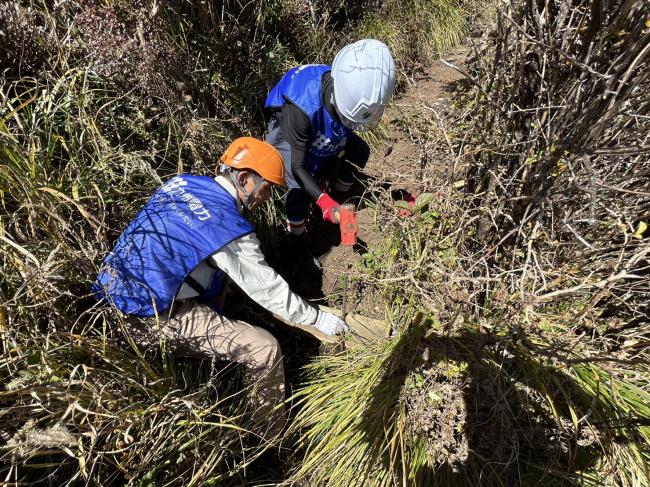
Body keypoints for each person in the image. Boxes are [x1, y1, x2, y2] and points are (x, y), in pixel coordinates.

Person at [92, 137, 349, 433]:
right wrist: (317, 318)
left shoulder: (181, 183)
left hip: (108, 298)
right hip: (146, 318)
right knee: (263, 348)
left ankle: (212, 352)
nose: (267, 198)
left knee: (224, 280)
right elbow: (265, 287)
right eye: (267, 188)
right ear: (244, 178)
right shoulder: (226, 225)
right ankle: (267, 436)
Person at [265, 38, 396, 271]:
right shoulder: (301, 107)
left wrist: (331, 198)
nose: (349, 125)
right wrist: (323, 203)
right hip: (288, 132)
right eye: (346, 118)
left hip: (322, 122)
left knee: (360, 150)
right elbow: (298, 167)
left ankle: (338, 196)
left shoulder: (354, 83)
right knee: (299, 186)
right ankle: (296, 239)